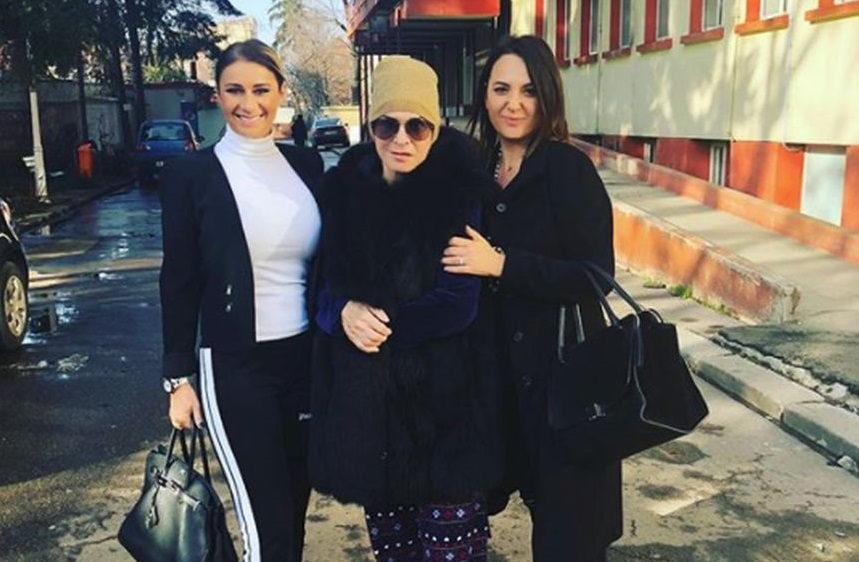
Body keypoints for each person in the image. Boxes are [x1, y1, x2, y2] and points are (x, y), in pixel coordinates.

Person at [309, 55, 503, 562]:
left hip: (445, 417)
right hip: (373, 419)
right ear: (370, 126)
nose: (401, 139)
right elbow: (321, 289)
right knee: (394, 552)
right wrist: (343, 313)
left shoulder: (457, 194)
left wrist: (377, 326)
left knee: (452, 551)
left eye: (417, 126)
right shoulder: (342, 193)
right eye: (386, 125)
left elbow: (457, 304)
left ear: (434, 129)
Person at [442, 35, 621, 561]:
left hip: (563, 389)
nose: (513, 104)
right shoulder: (477, 171)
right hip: (498, 390)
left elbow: (595, 276)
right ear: (484, 95)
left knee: (569, 543)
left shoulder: (568, 170)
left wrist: (503, 264)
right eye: (501, 89)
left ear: (547, 97)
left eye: (527, 91)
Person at [159, 39, 323, 562]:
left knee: (293, 513)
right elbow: (178, 278)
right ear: (217, 94)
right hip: (236, 366)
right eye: (234, 90)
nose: (247, 103)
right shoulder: (190, 175)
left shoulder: (306, 165)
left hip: (305, 361)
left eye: (260, 89)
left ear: (281, 92)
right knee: (265, 527)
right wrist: (178, 378)